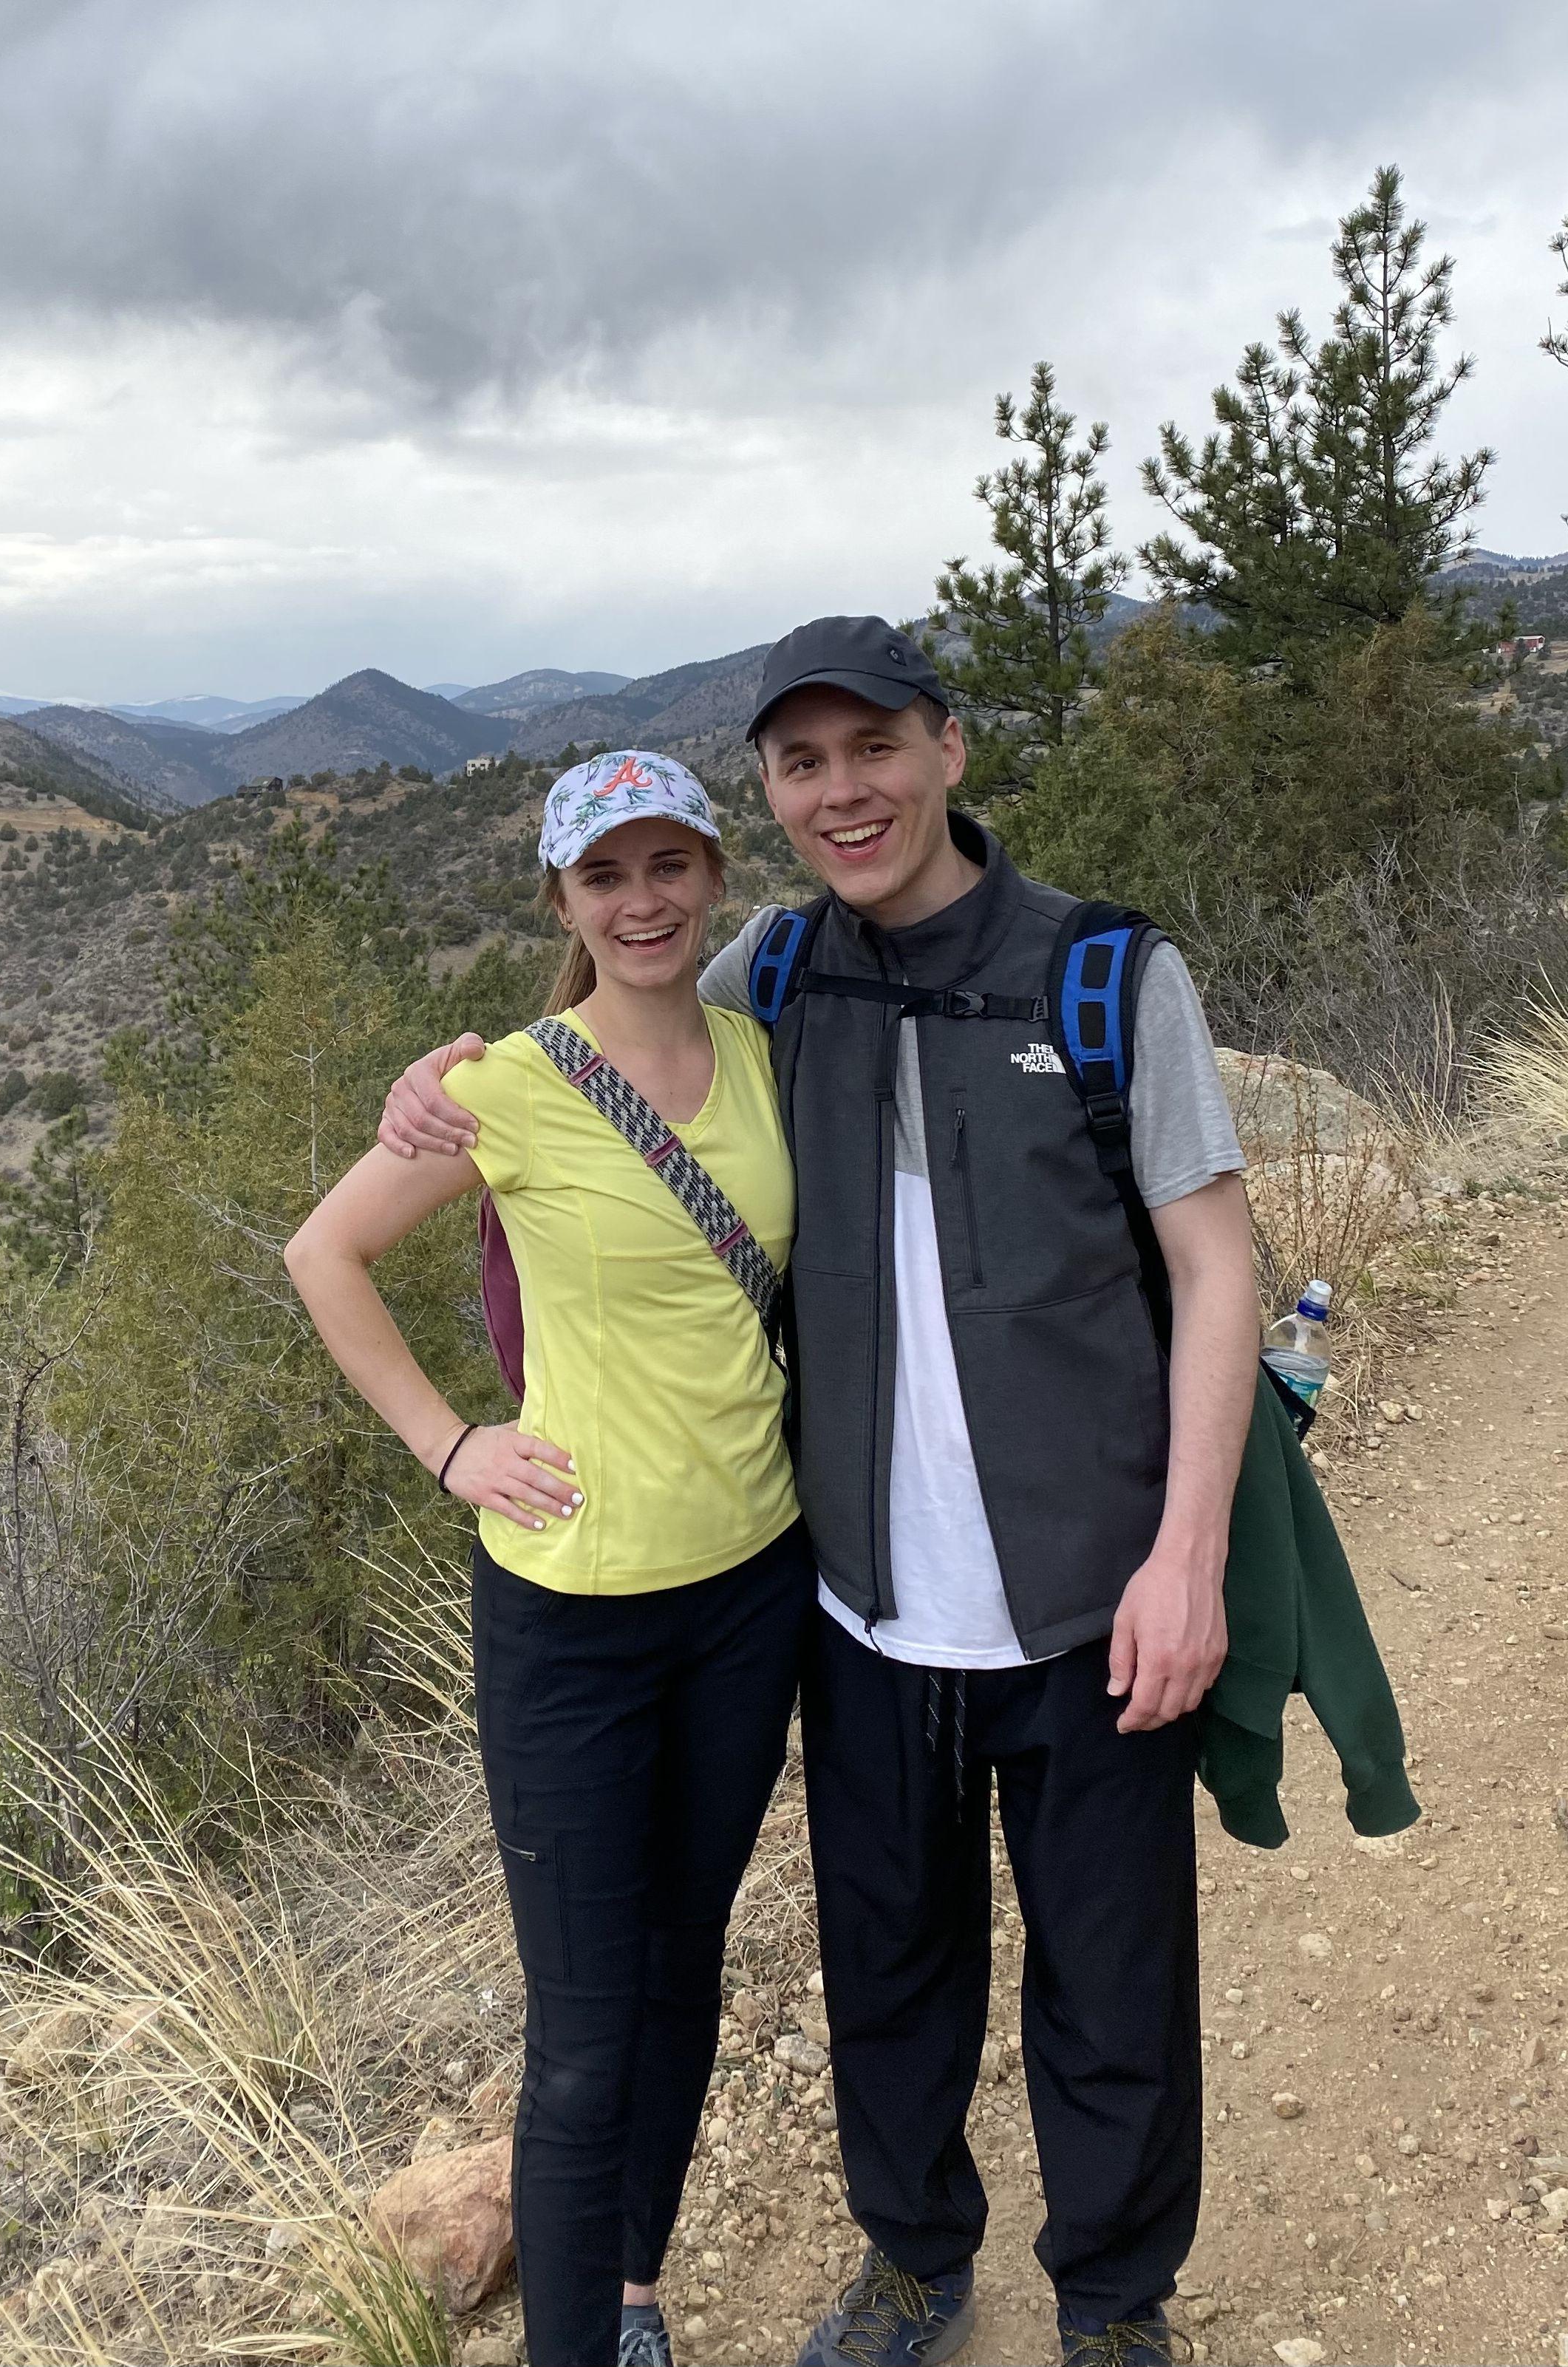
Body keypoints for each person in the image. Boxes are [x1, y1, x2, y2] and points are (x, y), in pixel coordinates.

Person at [378, 619, 1264, 2367]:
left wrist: (1190, 1554)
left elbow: (1218, 1268)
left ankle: (1115, 2304)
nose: (843, 790)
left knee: (1114, 1980)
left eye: (874, 748)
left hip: (1090, 1588)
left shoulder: (1102, 975)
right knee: (890, 1974)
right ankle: (917, 2264)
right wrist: (445, 1079)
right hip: (854, 1604)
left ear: (946, 749)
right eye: (803, 763)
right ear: (773, 793)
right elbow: (612, 1048)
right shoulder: (777, 981)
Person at [285, 749, 814, 2367]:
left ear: (713, 876)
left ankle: (633, 2295)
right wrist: (454, 1447)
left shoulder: (765, 1053)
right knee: (585, 2036)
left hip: (752, 1588)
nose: (643, 901)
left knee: (687, 1971)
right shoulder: (504, 1083)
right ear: (564, 901)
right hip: (574, 1618)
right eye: (607, 876)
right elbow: (328, 1252)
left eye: (669, 867)